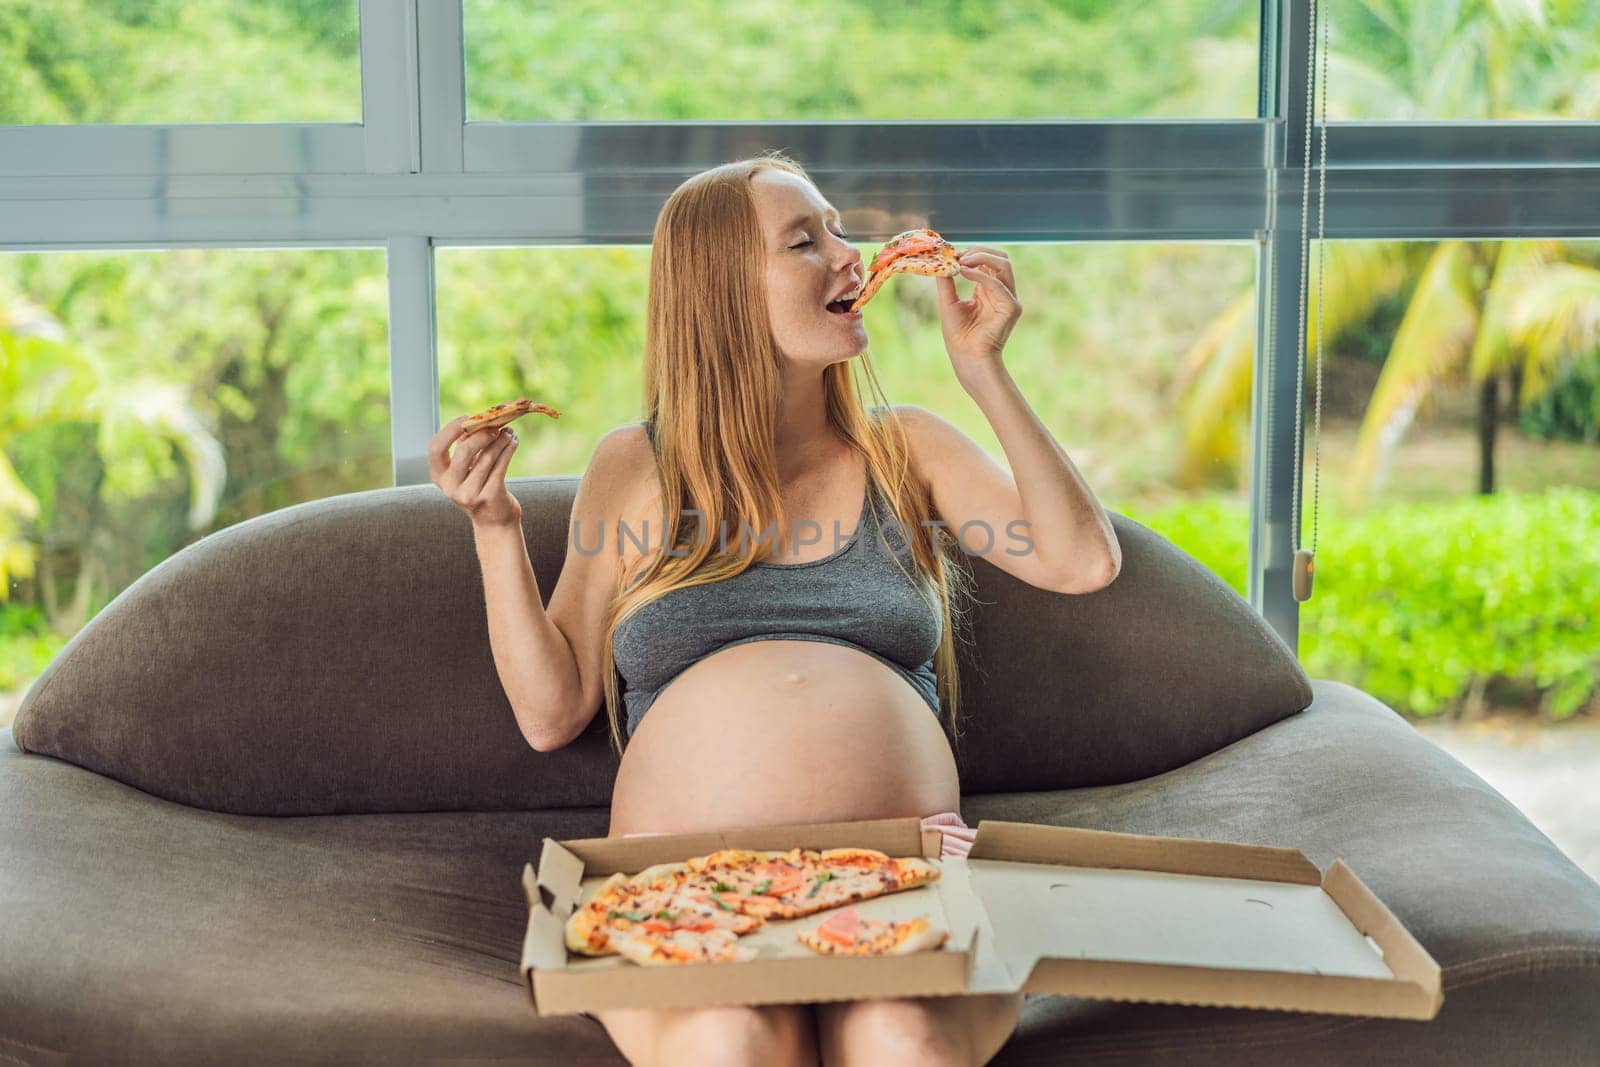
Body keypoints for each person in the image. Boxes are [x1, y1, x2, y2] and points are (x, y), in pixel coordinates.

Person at [429, 151, 1121, 1066]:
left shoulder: (903, 449)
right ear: (722, 292)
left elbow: (1082, 560)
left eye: (838, 228)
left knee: (900, 1035)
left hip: (900, 881)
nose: (849, 256)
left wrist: (982, 368)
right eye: (806, 240)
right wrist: (494, 526)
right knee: (733, 1039)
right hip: (677, 892)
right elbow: (553, 711)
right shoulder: (633, 468)